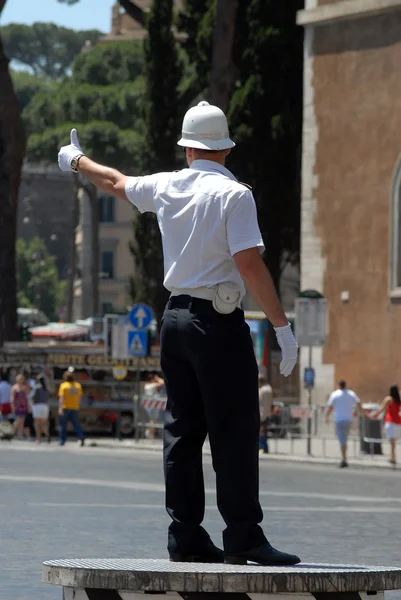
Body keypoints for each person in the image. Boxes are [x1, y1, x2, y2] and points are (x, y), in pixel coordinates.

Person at [57, 101, 299, 565]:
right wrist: (280, 326)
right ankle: (244, 535)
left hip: (174, 320)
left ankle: (185, 535)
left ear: (188, 150)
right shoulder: (235, 196)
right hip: (218, 322)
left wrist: (75, 161)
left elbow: (114, 181)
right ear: (225, 150)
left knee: (182, 431)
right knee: (234, 429)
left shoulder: (167, 187)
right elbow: (249, 264)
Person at [326, 379, 362, 468]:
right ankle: (344, 457)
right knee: (344, 438)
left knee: (342, 440)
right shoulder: (351, 393)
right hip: (349, 419)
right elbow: (358, 402)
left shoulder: (335, 394)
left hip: (339, 420)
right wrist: (361, 412)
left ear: (338, 385)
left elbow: (330, 406)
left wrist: (327, 416)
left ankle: (344, 459)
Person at [370, 385, 401, 465]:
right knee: (394, 441)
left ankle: (392, 457)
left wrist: (372, 415)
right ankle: (393, 456)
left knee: (392, 441)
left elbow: (381, 409)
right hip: (398, 422)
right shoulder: (398, 400)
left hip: (390, 422)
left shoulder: (388, 399)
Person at [58, 370, 85, 446]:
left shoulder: (63, 385)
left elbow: (61, 398)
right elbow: (80, 397)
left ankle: (62, 440)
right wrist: (78, 405)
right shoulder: (78, 386)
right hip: (75, 407)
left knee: (63, 425)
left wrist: (60, 408)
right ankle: (81, 436)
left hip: (65, 407)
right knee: (76, 424)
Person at [10, 374, 30, 439]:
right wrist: (13, 407)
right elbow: (12, 398)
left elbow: (27, 396)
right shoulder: (14, 387)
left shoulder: (25, 387)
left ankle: (20, 435)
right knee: (18, 420)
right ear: (17, 380)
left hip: (24, 406)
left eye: (22, 379)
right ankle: (11, 433)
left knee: (22, 421)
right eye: (19, 379)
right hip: (17, 406)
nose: (21, 380)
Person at [32, 376, 50, 444]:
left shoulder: (37, 387)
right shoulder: (46, 388)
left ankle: (38, 438)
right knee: (44, 423)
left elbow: (35, 398)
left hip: (38, 406)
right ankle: (47, 434)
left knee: (37, 424)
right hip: (45, 406)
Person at [258, 374, 273, 454]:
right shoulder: (269, 389)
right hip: (267, 414)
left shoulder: (261, 391)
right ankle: (265, 448)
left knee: (261, 432)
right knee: (264, 432)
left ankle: (262, 448)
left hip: (261, 414)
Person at [22, 369, 36, 440]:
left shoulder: (31, 383)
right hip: (23, 405)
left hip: (29, 405)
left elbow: (32, 393)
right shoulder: (23, 383)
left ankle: (28, 435)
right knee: (24, 420)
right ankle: (24, 435)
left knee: (28, 420)